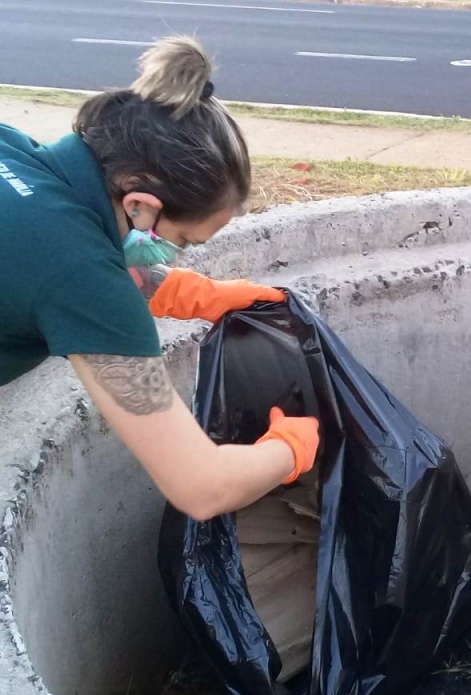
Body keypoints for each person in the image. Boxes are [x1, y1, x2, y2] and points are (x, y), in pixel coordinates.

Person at [0, 36, 319, 521]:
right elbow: (202, 487)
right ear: (141, 205)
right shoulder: (82, 281)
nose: (179, 253)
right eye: (184, 241)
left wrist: (191, 293)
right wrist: (292, 448)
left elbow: (44, 254)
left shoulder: (14, 150)